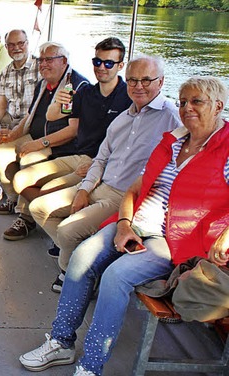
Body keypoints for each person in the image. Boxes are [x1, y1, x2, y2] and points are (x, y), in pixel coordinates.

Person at [19, 76, 229, 376]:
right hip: (136, 222)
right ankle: (61, 342)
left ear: (219, 106)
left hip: (175, 241)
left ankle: (90, 366)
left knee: (116, 277)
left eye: (196, 101)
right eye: (182, 102)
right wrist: (123, 225)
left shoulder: (225, 148)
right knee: (81, 257)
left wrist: (225, 236)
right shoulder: (173, 142)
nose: (186, 108)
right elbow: (133, 190)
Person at [29, 55, 182, 292]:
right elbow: (101, 159)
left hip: (125, 197)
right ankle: (82, 261)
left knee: (68, 230)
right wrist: (83, 189)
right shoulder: (123, 118)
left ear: (160, 82)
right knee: (39, 207)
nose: (138, 86)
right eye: (132, 81)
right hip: (100, 185)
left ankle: (73, 277)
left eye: (145, 80)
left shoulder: (172, 119)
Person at [9, 37, 132, 252]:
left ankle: (67, 234)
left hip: (100, 163)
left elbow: (132, 144)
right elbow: (56, 116)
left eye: (109, 63)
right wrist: (59, 100)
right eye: (97, 61)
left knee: (46, 191)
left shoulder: (128, 97)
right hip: (78, 156)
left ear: (120, 66)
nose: (101, 67)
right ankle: (66, 238)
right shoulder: (85, 93)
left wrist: (97, 166)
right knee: (20, 179)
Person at [0, 41, 89, 233]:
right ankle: (12, 199)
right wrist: (13, 134)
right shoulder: (43, 84)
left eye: (49, 59)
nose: (43, 64)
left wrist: (38, 144)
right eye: (41, 59)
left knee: (29, 157)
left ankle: (25, 217)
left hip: (60, 144)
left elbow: (73, 131)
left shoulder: (76, 87)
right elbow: (29, 116)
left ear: (64, 61)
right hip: (36, 136)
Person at [0, 29, 39, 180]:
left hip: (30, 120)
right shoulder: (6, 72)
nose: (16, 48)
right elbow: (0, 104)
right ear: (6, 47)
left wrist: (15, 130)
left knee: (2, 144)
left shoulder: (39, 68)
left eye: (20, 43)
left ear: (27, 43)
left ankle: (3, 185)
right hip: (10, 118)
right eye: (11, 45)